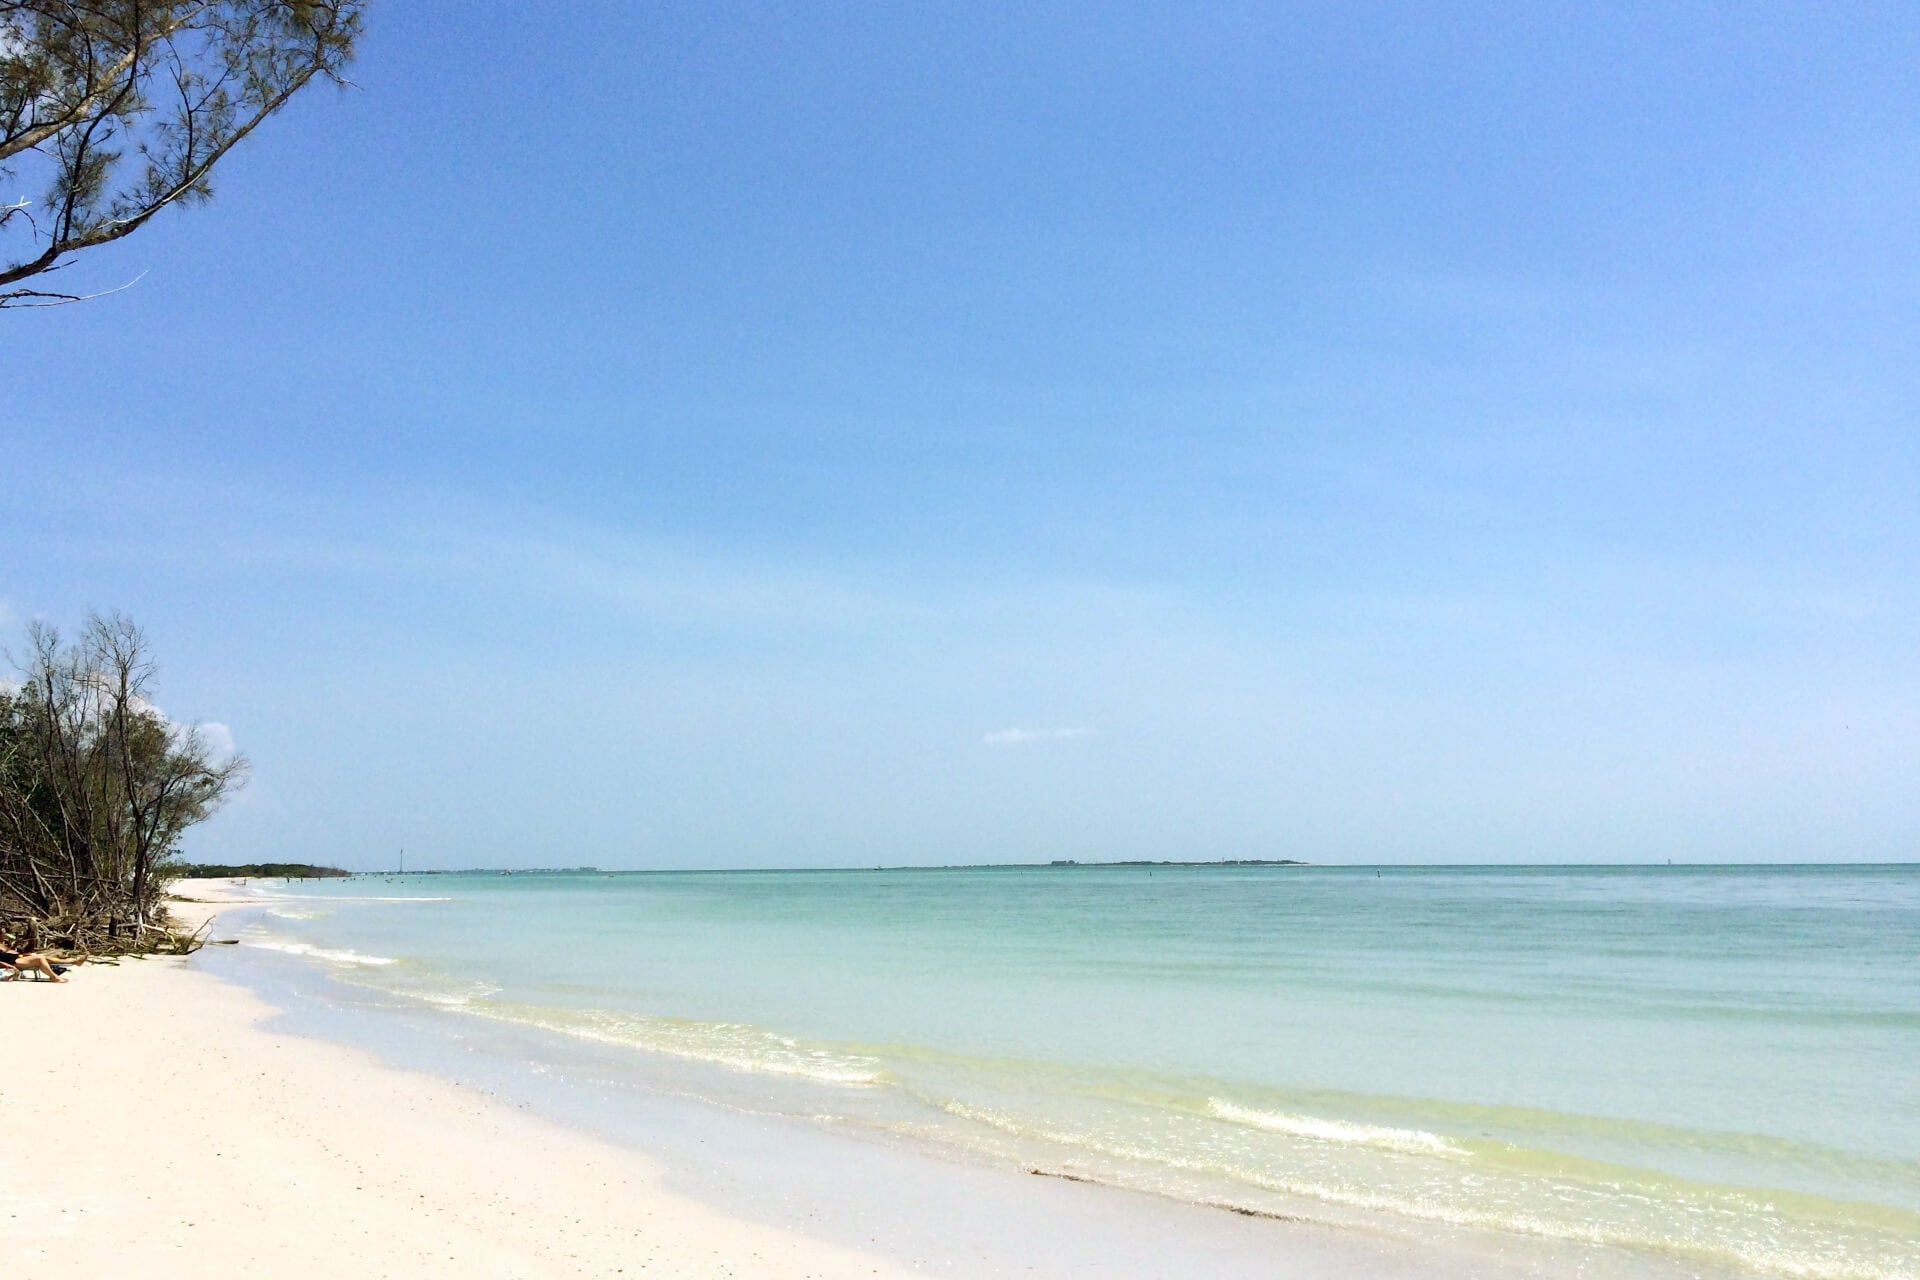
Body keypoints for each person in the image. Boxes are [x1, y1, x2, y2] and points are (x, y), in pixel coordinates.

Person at [0, 930, 67, 982]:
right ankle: (54, 977)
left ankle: (68, 962)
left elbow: (10, 952)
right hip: (11, 962)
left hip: (15, 958)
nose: (5, 936)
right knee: (39, 959)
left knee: (41, 956)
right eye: (3, 934)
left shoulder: (2, 943)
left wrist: (23, 953)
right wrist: (11, 967)